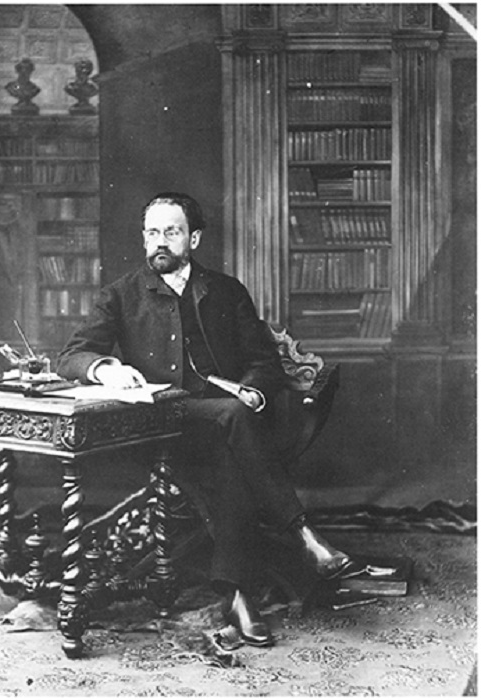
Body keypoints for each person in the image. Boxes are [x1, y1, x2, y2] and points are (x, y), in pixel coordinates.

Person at [57, 192, 355, 647]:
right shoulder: (120, 294)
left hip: (228, 428)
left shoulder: (227, 290)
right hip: (164, 427)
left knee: (231, 448)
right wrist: (106, 369)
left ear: (193, 238)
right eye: (152, 233)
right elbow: (71, 355)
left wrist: (253, 389)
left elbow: (263, 362)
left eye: (171, 232)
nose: (160, 242)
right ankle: (302, 533)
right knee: (233, 419)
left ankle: (237, 597)